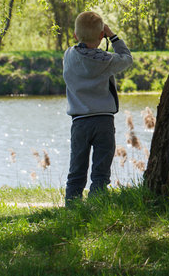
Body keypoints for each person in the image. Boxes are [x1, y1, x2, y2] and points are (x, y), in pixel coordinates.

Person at [63, 11, 133, 204]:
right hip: (103, 121)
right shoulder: (108, 60)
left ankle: (72, 206)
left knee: (76, 169)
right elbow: (127, 58)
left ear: (76, 36)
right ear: (102, 36)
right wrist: (113, 36)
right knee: (101, 171)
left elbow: (80, 49)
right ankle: (97, 205)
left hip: (79, 121)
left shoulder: (69, 55)